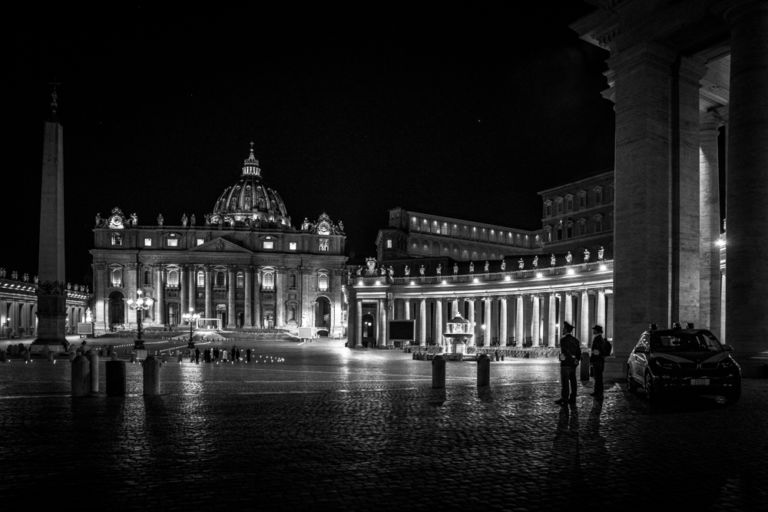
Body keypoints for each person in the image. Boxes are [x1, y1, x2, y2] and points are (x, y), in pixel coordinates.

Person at [556, 321, 581, 406]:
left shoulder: (563, 340)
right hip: (573, 364)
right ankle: (573, 397)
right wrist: (576, 360)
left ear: (566, 330)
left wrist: (561, 358)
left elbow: (564, 352)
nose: (562, 330)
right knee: (573, 381)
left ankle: (565, 398)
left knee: (565, 382)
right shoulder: (576, 340)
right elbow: (579, 352)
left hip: (565, 364)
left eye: (563, 329)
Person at [589, 325, 609, 399]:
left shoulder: (597, 339)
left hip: (597, 361)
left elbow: (595, 351)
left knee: (597, 378)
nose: (593, 331)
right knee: (598, 378)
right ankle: (598, 392)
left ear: (597, 331)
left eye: (594, 330)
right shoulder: (601, 339)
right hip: (600, 361)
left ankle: (598, 392)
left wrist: (592, 360)